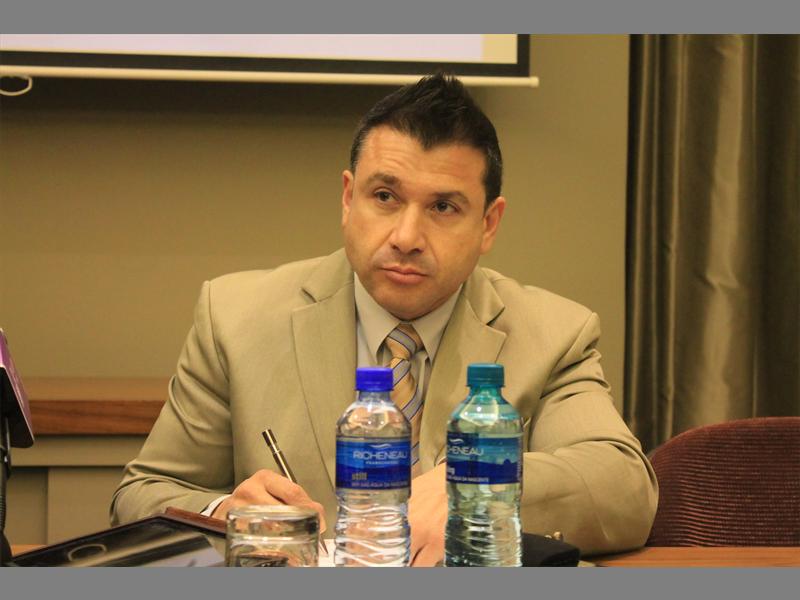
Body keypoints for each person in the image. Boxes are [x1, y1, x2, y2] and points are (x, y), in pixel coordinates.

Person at [111, 73, 658, 566]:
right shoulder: (235, 317)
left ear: (489, 224)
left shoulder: (553, 333)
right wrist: (228, 512)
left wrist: (476, 488)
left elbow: (624, 487)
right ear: (349, 198)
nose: (406, 237)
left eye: (443, 207)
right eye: (385, 196)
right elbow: (143, 494)